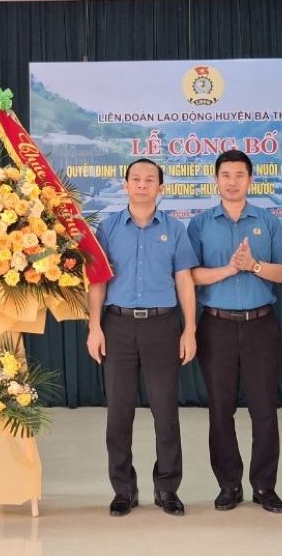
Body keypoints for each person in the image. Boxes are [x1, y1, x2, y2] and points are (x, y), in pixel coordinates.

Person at [86, 160, 198, 517]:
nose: (143, 184)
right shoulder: (108, 228)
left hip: (162, 327)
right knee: (119, 413)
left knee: (165, 413)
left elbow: (184, 280)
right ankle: (123, 490)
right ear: (126, 185)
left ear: (160, 188)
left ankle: (167, 488)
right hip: (117, 327)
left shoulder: (176, 229)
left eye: (150, 180)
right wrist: (94, 326)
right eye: (136, 179)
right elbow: (98, 281)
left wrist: (190, 329)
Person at [187, 150, 282, 513]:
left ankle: (265, 486)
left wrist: (254, 265)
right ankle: (229, 485)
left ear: (250, 180)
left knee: (264, 409)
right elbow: (190, 276)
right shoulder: (200, 224)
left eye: (239, 175)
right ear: (215, 180)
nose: (232, 181)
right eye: (226, 175)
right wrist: (229, 270)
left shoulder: (268, 221)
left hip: (261, 325)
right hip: (216, 326)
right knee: (221, 409)